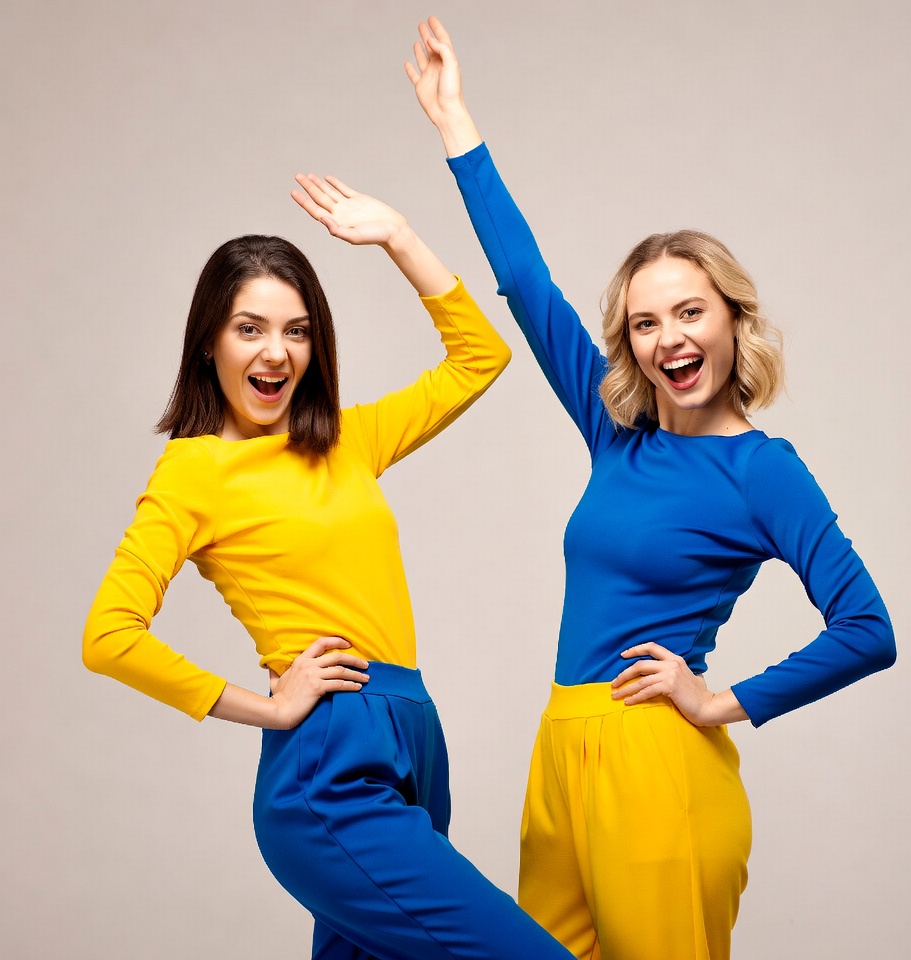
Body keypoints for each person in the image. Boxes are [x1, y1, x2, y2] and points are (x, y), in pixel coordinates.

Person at [405, 16, 896, 960]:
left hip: (656, 761)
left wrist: (721, 701)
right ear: (629, 344)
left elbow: (867, 629)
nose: (669, 338)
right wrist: (455, 124)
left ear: (732, 321)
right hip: (561, 749)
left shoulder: (763, 471)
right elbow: (525, 284)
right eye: (643, 323)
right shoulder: (613, 432)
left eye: (689, 312)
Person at [83, 174, 576, 960]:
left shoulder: (346, 441)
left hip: (415, 736)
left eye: (298, 331)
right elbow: (108, 637)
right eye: (249, 329)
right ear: (209, 342)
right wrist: (269, 708)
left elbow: (480, 358)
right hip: (330, 761)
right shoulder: (193, 472)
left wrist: (398, 237)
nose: (276, 352)